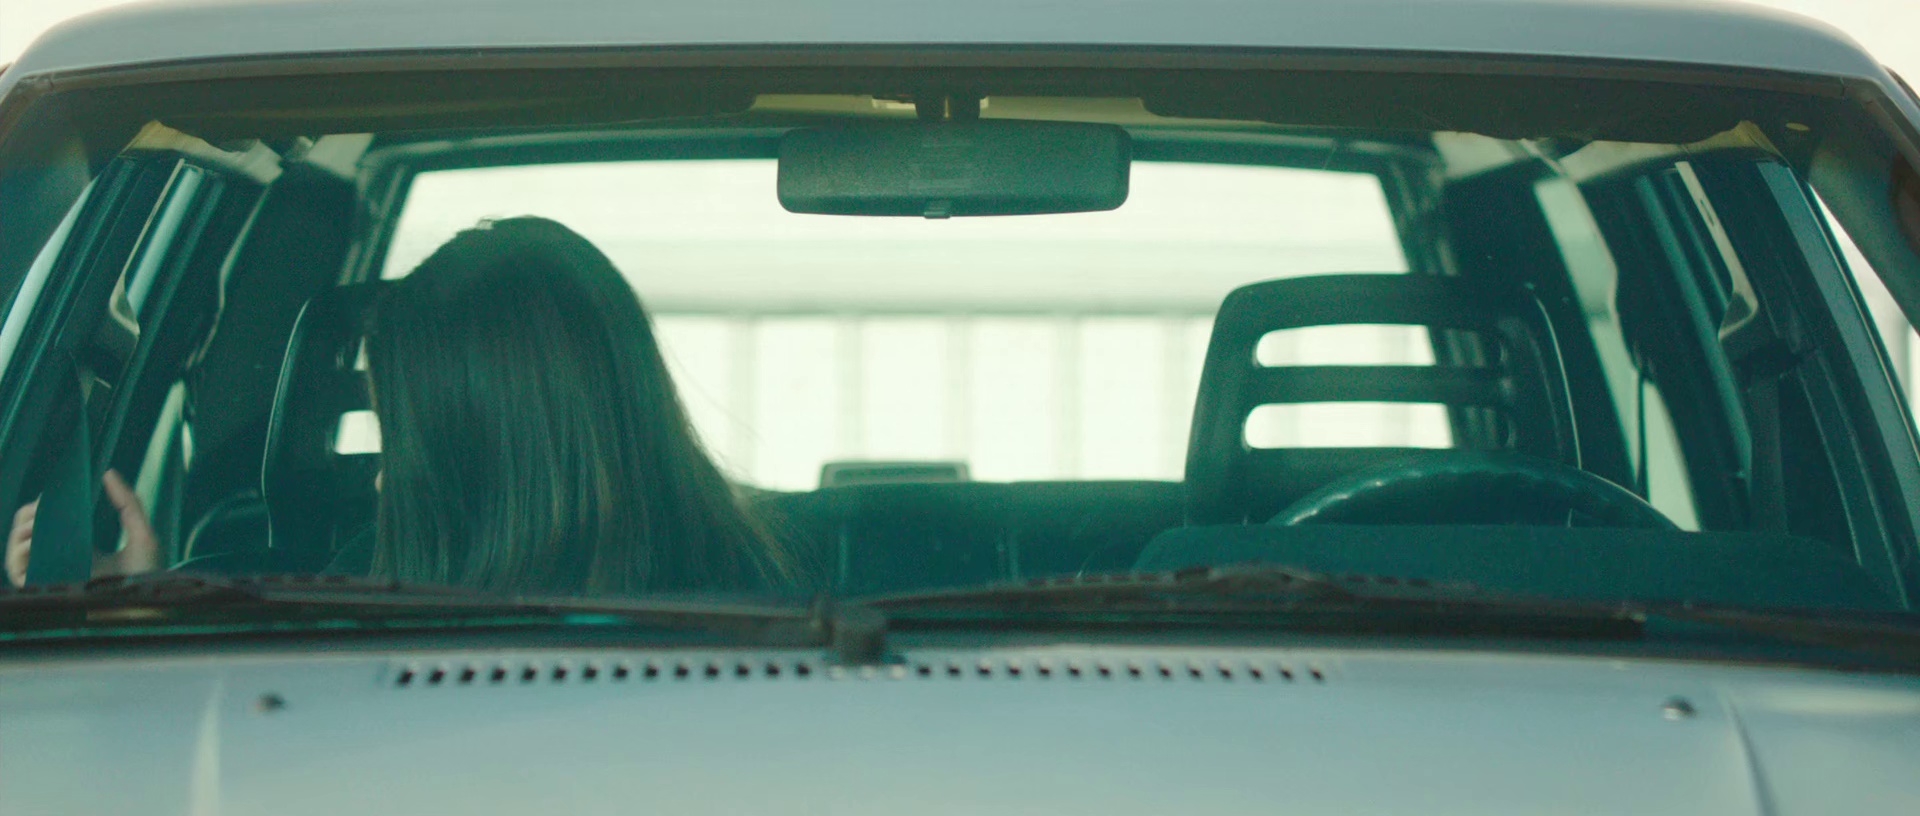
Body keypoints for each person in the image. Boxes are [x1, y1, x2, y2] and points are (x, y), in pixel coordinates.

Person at [9, 217, 792, 595]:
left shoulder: (365, 611)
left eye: (401, 434)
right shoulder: (777, 613)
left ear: (469, 450)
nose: (384, 476)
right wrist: (137, 600)